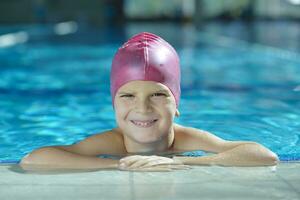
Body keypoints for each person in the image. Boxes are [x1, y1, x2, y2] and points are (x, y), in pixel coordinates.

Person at [20, 32, 279, 172]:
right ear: (114, 105)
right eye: (128, 95)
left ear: (176, 104)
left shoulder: (186, 140)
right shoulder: (111, 143)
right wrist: (119, 163)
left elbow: (264, 155)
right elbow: (33, 159)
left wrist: (179, 161)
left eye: (157, 94)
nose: (142, 108)